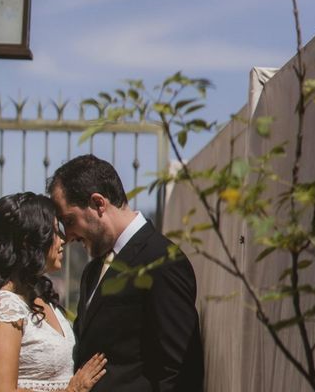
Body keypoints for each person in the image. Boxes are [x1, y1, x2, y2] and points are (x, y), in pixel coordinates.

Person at [47, 155, 204, 392]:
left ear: (98, 203)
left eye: (69, 220)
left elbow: (179, 370)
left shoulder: (161, 260)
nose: (67, 236)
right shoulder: (92, 271)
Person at [0, 192, 107, 392]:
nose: (63, 240)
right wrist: (72, 390)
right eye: (54, 232)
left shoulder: (41, 297)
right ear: (27, 241)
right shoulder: (5, 304)